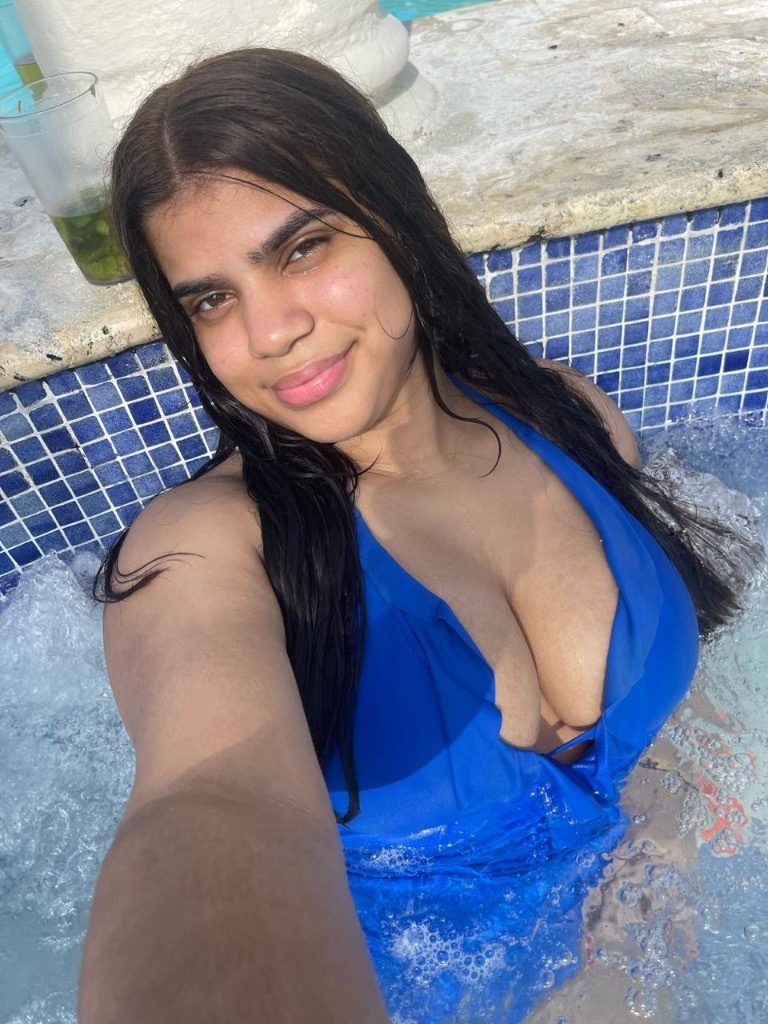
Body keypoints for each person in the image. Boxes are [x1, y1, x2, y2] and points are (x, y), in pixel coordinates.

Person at [78, 47, 750, 1024]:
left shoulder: (571, 418)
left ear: (397, 217)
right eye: (212, 299)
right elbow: (208, 805)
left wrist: (669, 815)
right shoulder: (203, 553)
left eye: (302, 249)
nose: (269, 333)